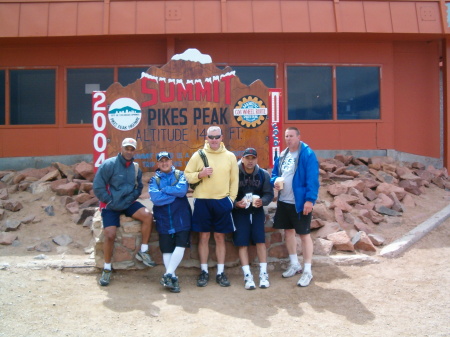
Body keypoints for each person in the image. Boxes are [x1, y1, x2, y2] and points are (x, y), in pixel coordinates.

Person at [93, 137, 156, 286]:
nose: (129, 151)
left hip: (127, 203)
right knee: (110, 234)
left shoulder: (135, 168)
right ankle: (107, 268)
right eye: (126, 148)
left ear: (134, 151)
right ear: (121, 148)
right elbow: (98, 186)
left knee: (147, 216)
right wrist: (109, 201)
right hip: (110, 204)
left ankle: (144, 251)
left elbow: (138, 188)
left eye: (131, 149)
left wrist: (130, 199)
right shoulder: (108, 164)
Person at [184, 126, 238, 287]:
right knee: (204, 237)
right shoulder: (198, 155)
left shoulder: (230, 156)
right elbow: (187, 175)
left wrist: (231, 200)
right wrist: (200, 174)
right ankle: (204, 271)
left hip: (222, 201)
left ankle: (221, 272)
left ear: (222, 138)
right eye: (211, 137)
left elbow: (234, 180)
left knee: (220, 237)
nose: (214, 140)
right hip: (202, 200)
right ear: (206, 138)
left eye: (217, 137)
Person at [271, 127, 319, 287]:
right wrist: (275, 182)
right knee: (288, 232)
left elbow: (312, 178)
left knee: (304, 235)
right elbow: (274, 175)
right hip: (284, 201)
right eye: (286, 136)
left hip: (300, 203)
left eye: (291, 136)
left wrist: (310, 200)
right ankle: (294, 264)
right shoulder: (283, 155)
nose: (288, 139)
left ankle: (307, 270)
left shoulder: (307, 154)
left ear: (298, 136)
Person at [149, 151, 192, 293]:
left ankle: (167, 275)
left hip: (181, 218)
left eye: (166, 160)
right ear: (158, 164)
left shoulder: (180, 175)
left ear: (171, 161)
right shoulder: (154, 180)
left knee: (181, 245)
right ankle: (172, 277)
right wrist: (172, 196)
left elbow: (181, 191)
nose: (164, 163)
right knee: (166, 248)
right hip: (164, 219)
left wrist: (165, 190)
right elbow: (155, 198)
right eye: (161, 161)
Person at [232, 148, 274, 290]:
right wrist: (236, 204)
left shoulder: (263, 174)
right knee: (242, 243)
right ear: (242, 159)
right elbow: (227, 193)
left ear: (256, 159)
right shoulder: (234, 173)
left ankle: (263, 273)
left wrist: (262, 201)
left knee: (260, 241)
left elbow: (269, 194)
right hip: (240, 212)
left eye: (253, 158)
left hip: (256, 212)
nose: (250, 161)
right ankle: (247, 275)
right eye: (247, 158)